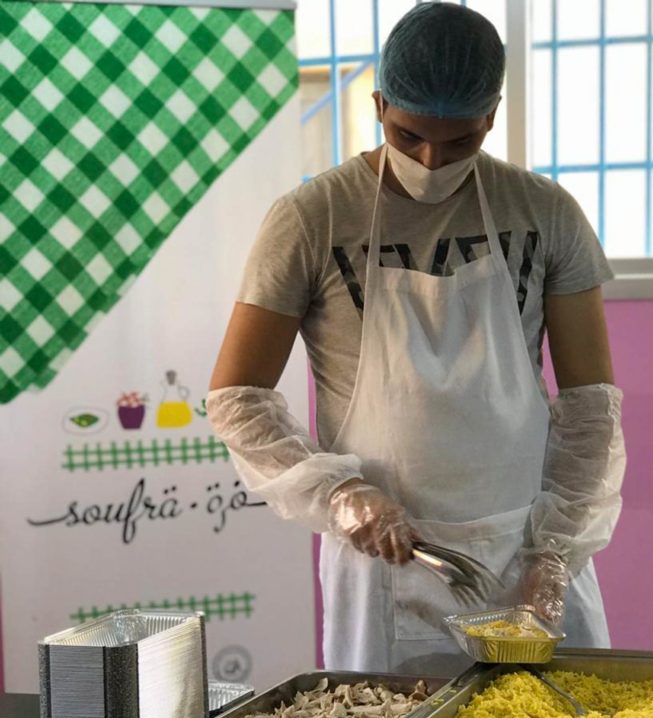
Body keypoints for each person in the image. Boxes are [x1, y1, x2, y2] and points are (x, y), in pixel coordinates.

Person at [207, 2, 626, 675]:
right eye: (408, 137)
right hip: (385, 557)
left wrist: (554, 553)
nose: (432, 159)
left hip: (528, 549)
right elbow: (237, 397)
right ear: (378, 104)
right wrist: (341, 495)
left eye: (458, 143)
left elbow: (590, 408)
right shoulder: (313, 218)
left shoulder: (546, 213)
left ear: (490, 115)